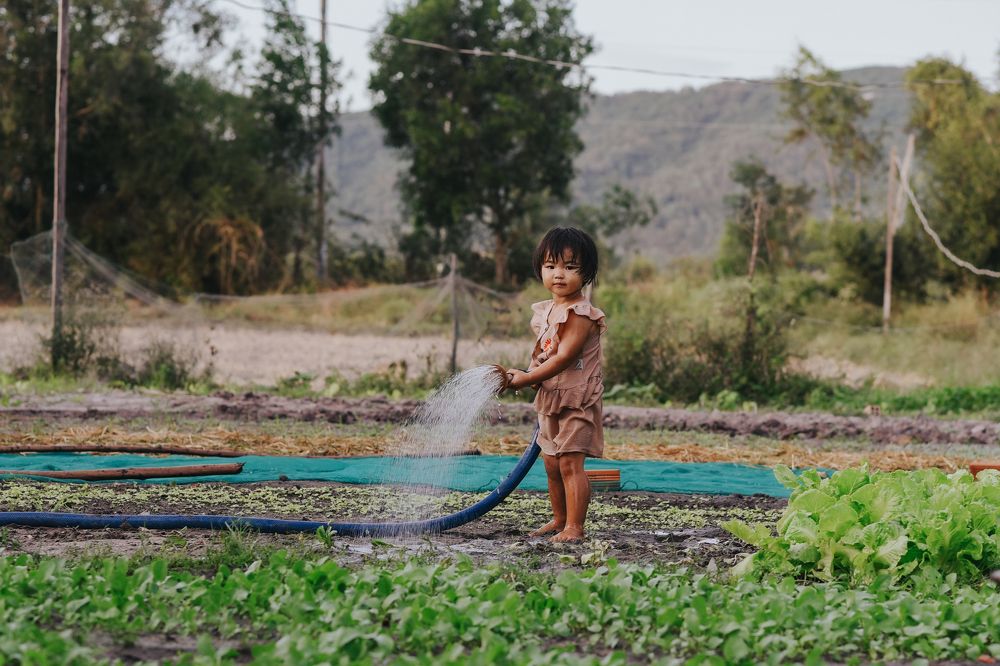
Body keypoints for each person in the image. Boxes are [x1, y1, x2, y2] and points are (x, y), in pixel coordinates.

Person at [506, 227, 605, 543]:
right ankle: (560, 519)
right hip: (551, 396)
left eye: (570, 267)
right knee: (550, 463)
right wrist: (531, 371)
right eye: (551, 266)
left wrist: (528, 377)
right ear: (540, 269)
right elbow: (545, 351)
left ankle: (575, 527)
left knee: (569, 463)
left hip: (577, 398)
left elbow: (563, 358)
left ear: (586, 273)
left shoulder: (579, 314)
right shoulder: (546, 310)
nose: (559, 275)